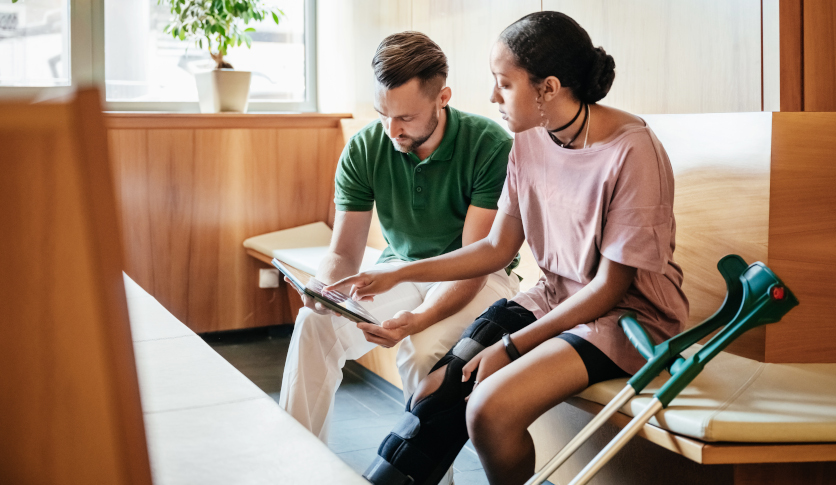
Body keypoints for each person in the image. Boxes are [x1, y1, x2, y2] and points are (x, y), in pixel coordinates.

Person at [328, 12, 690, 485]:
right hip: (554, 300)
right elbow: (497, 247)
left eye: (503, 83)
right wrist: (397, 274)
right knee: (435, 391)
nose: (493, 96)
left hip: (627, 319)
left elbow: (608, 288)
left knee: (487, 410)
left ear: (549, 88)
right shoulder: (529, 141)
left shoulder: (632, 151)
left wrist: (511, 344)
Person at [277, 31, 520, 463]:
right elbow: (344, 253)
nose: (391, 130)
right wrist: (325, 289)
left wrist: (418, 318)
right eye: (382, 114)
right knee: (313, 326)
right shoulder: (366, 147)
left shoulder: (490, 145)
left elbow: (475, 261)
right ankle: (298, 465)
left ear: (442, 97)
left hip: (479, 277)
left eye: (405, 117)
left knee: (423, 348)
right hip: (399, 268)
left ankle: (420, 474)